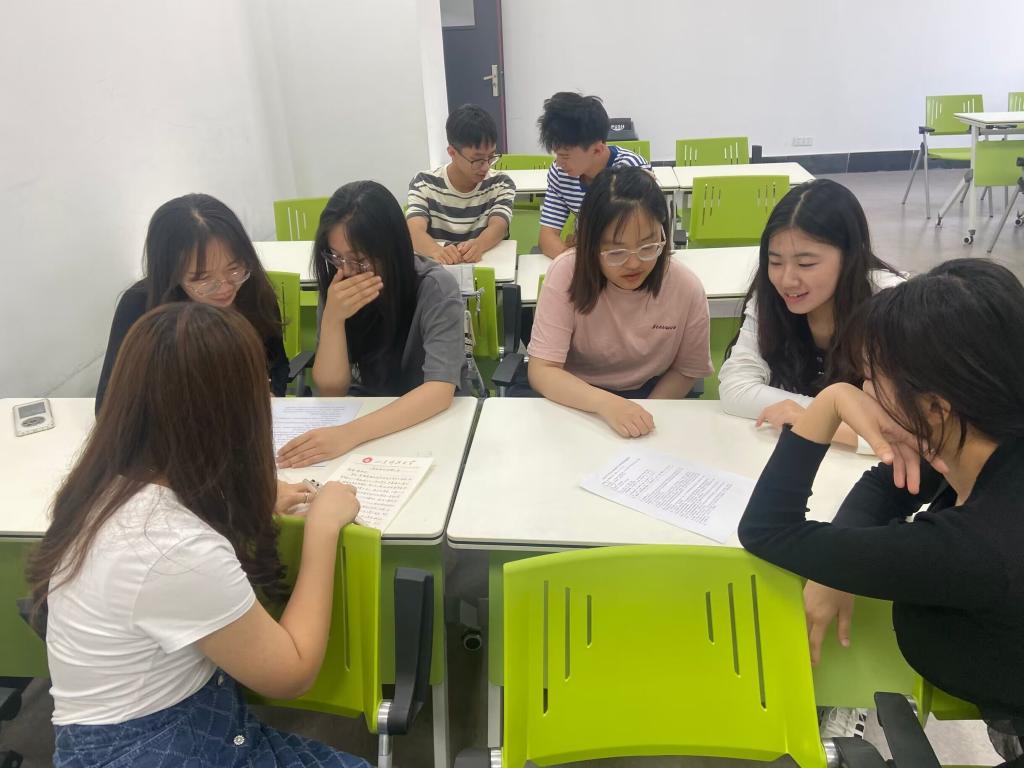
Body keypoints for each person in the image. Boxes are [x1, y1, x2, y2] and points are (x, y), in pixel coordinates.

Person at [27, 302, 370, 767]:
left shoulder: (104, 487)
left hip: (131, 732)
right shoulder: (173, 547)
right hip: (160, 748)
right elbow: (291, 674)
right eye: (258, 388)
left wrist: (241, 501)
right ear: (227, 414)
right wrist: (323, 530)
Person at [739, 259, 1024, 765]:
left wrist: (829, 403)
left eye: (872, 379)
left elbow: (766, 528)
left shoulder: (970, 546)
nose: (864, 392)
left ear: (935, 408)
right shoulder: (992, 434)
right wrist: (840, 564)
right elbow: (890, 482)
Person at [276, 180, 469, 469]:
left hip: (430, 420)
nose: (347, 270)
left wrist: (349, 434)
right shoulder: (338, 285)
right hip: (367, 415)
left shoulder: (435, 287)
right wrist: (333, 319)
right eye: (336, 257)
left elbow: (439, 391)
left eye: (359, 261)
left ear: (392, 250)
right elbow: (331, 390)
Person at [719, 179, 903, 453]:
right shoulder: (770, 296)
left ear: (850, 256)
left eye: (806, 264)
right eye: (775, 261)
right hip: (802, 454)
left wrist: (814, 419)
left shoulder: (891, 305)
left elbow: (913, 427)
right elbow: (735, 388)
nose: (787, 280)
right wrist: (826, 417)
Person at [527, 166, 712, 436]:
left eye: (648, 246)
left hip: (651, 395)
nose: (634, 263)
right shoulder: (566, 273)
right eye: (615, 251)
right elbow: (543, 370)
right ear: (590, 244)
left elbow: (685, 371)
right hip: (575, 396)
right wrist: (607, 405)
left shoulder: (685, 286)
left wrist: (645, 413)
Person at [95, 193, 287, 413]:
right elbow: (109, 403)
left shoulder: (253, 290)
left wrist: (271, 394)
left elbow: (277, 363)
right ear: (172, 275)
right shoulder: (141, 306)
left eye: (234, 269)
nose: (224, 287)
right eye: (203, 279)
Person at [537, 92, 650, 259]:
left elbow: (640, 238)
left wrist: (582, 249)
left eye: (565, 156)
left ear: (597, 150)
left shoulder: (632, 169)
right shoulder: (560, 174)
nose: (559, 163)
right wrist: (576, 261)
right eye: (556, 154)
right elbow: (547, 237)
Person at [406, 103, 516, 265]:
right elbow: (414, 230)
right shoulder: (424, 183)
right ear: (452, 153)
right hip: (439, 270)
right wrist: (436, 251)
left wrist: (479, 245)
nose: (486, 166)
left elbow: (499, 225)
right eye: (477, 160)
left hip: (485, 266)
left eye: (491, 156)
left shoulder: (500, 183)